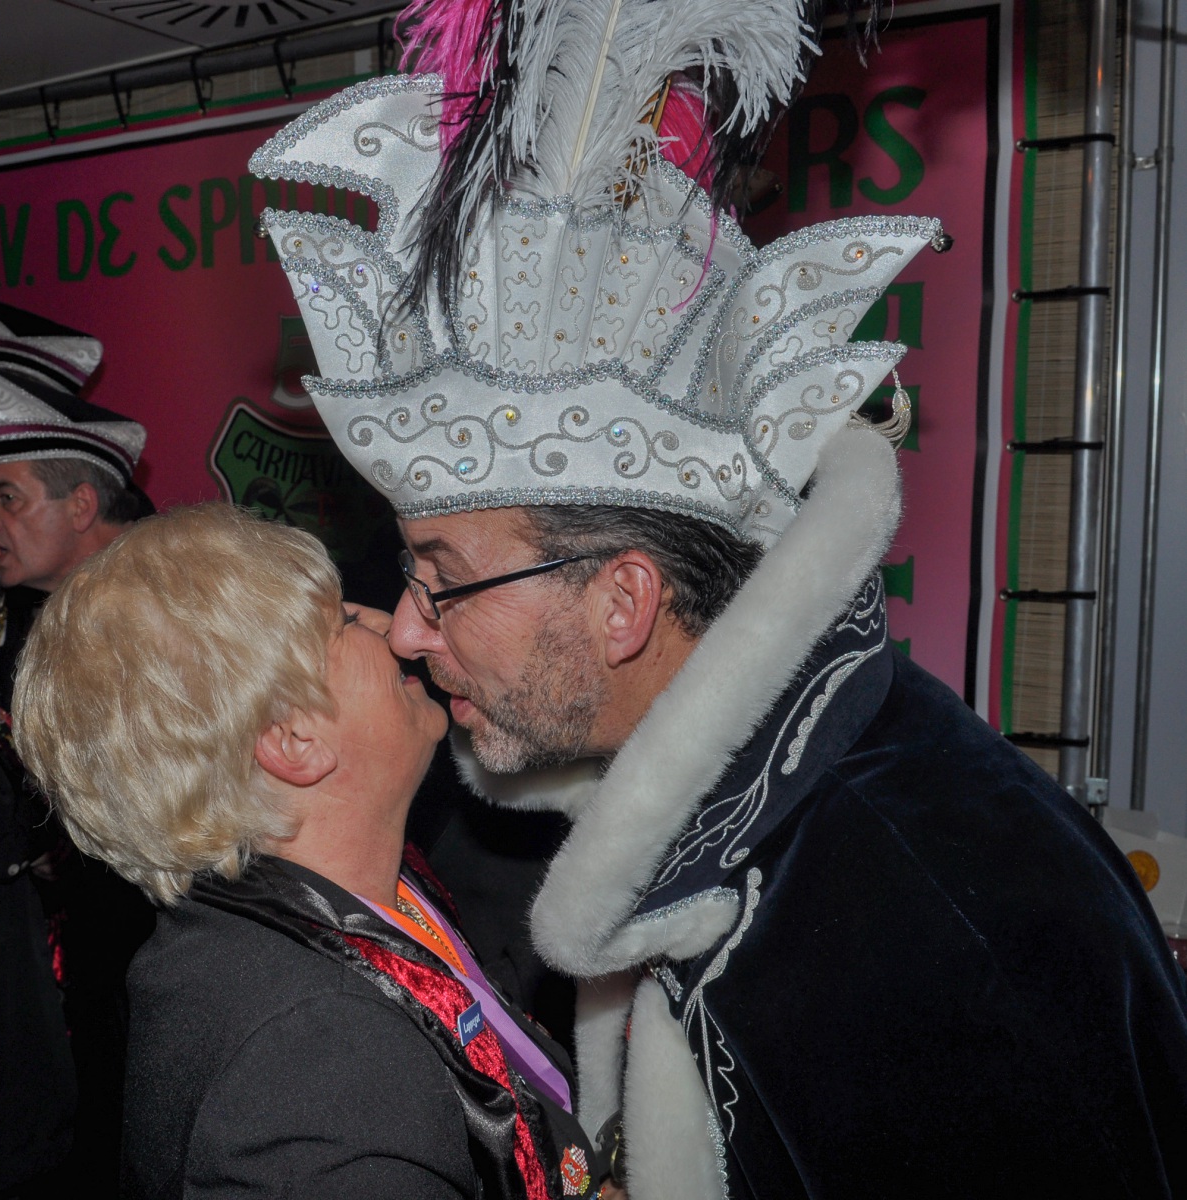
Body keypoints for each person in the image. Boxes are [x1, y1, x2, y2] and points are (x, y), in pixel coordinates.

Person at [248, 0, 1187, 1195]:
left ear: (623, 602)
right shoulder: (730, 820)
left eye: (444, 579)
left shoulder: (936, 913)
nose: (406, 626)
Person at [11, 502, 606, 1199]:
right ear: (294, 741)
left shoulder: (342, 905)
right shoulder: (318, 1058)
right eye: (344, 621)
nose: (395, 627)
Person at [0, 298, 151, 1198]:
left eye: (7, 498)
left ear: (81, 503)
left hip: (157, 964)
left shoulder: (167, 610)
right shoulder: (25, 619)